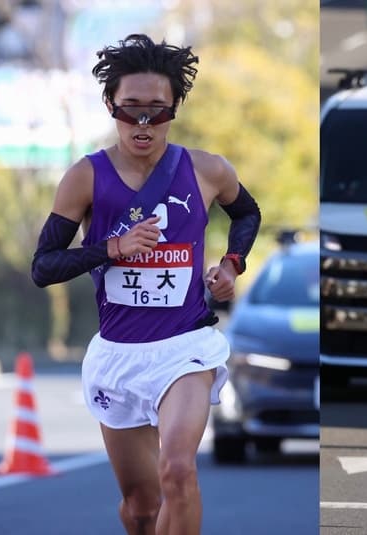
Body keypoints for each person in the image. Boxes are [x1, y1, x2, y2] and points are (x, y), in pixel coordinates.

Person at [31, 34, 261, 535]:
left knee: (178, 472)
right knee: (140, 506)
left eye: (156, 112)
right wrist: (111, 249)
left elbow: (247, 213)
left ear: (174, 109)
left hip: (186, 349)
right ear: (111, 106)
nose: (142, 124)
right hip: (118, 355)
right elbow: (43, 266)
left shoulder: (206, 169)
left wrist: (232, 264)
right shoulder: (84, 178)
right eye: (130, 109)